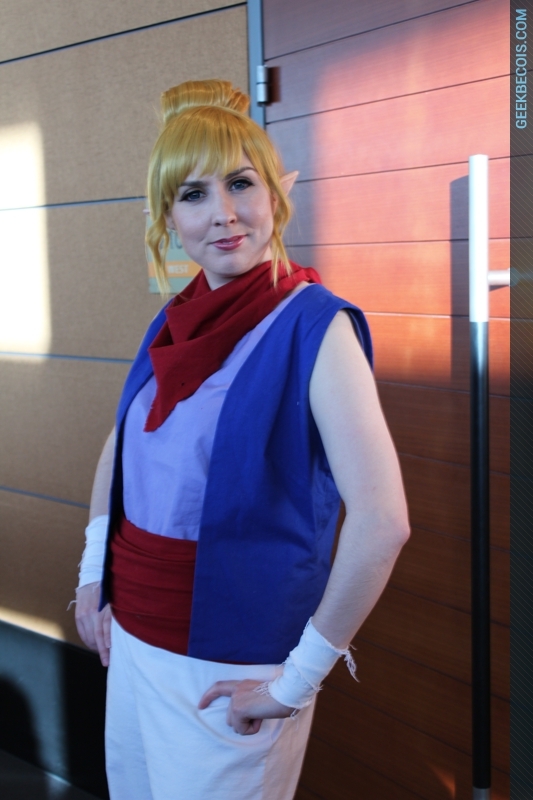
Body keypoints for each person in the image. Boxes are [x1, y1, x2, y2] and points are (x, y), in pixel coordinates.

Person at [74, 79, 410, 800]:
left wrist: (295, 681)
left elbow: (383, 523)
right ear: (167, 217)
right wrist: (91, 577)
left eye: (240, 183)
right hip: (132, 639)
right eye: (193, 194)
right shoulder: (177, 318)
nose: (223, 213)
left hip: (230, 666)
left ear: (276, 195)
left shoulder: (315, 326)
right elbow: (123, 444)